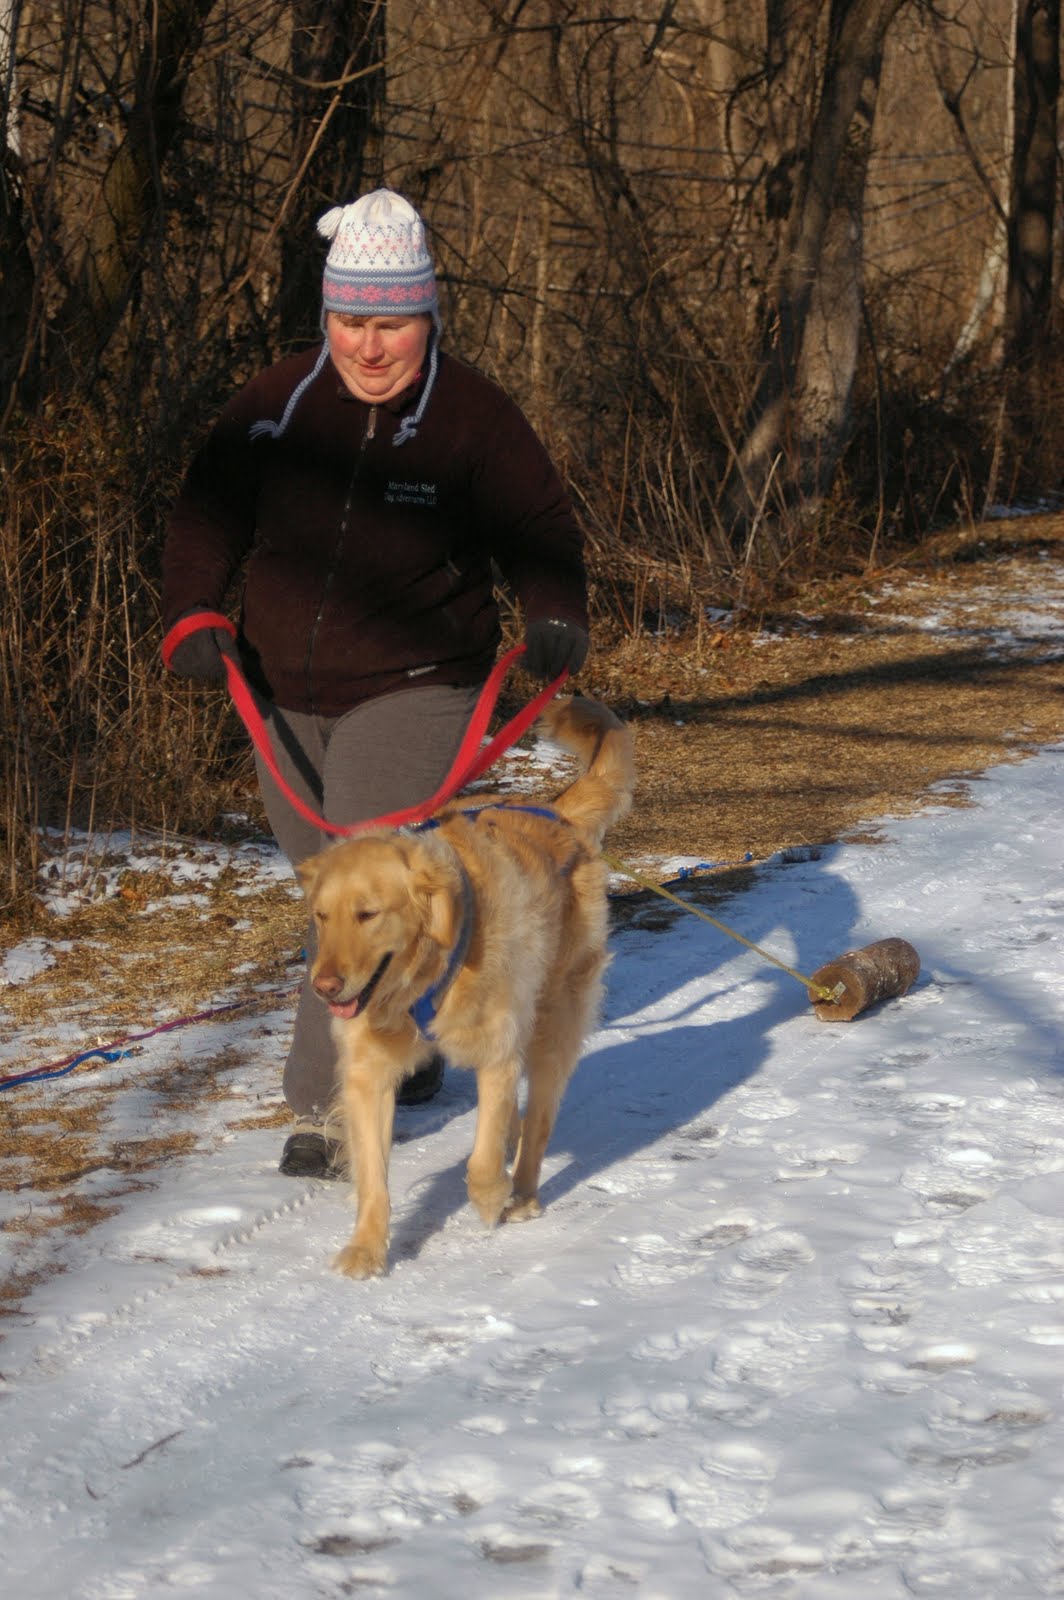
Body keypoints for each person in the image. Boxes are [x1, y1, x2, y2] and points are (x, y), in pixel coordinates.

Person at [161, 188, 589, 1179]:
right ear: (328, 318)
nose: (368, 346)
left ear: (426, 316)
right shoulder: (277, 403)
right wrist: (192, 611)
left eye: (390, 323)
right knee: (334, 885)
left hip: (417, 683)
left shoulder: (473, 417)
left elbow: (540, 529)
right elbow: (203, 515)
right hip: (279, 692)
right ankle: (420, 1022)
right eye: (350, 322)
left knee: (356, 876)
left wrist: (553, 610)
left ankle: (325, 1106)